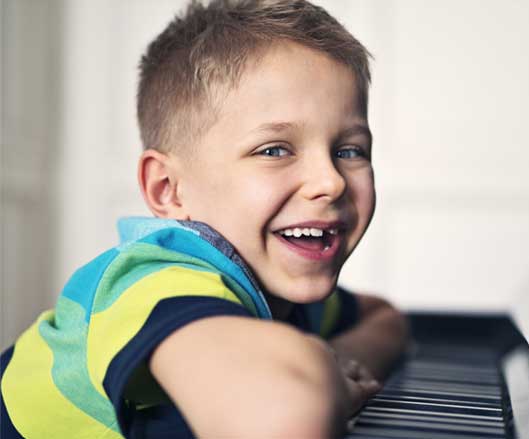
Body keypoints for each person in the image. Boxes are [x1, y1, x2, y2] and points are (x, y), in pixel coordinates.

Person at [0, 0, 408, 437]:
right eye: (274, 150)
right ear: (167, 188)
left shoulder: (284, 292)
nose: (331, 181)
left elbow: (386, 318)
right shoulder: (156, 284)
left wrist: (339, 357)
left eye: (350, 150)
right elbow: (284, 414)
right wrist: (321, 379)